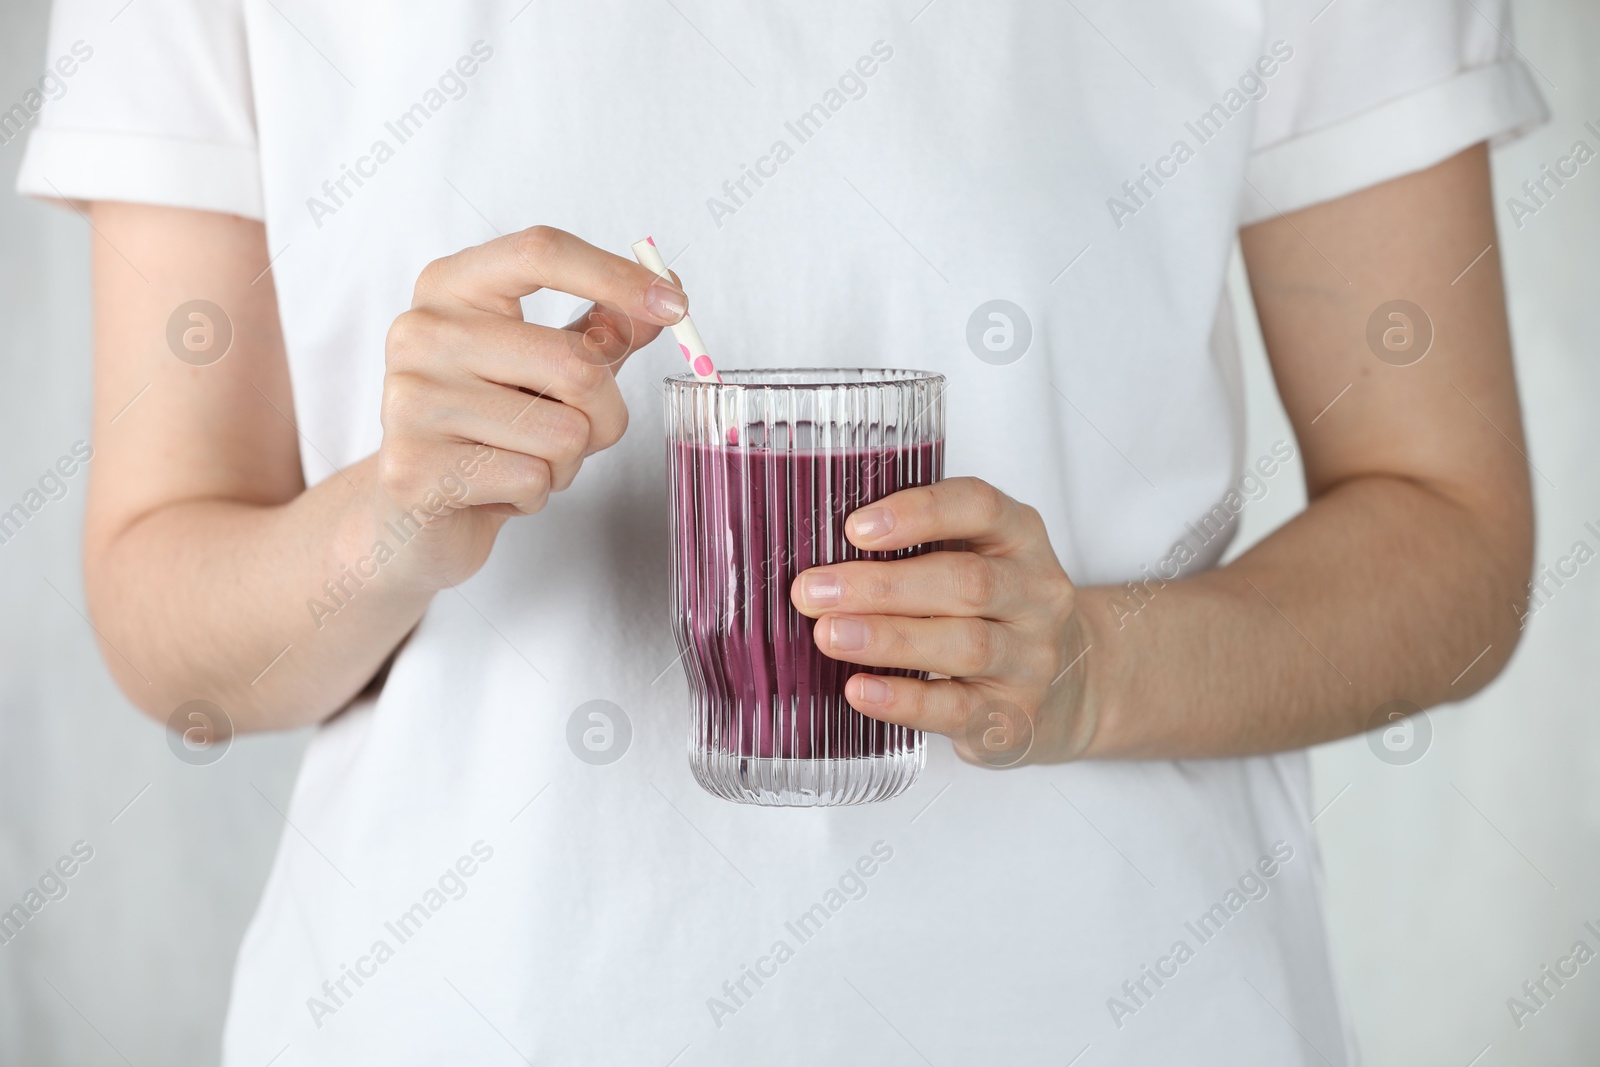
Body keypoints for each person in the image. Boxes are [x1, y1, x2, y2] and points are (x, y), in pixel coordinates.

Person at [19, 0, 1544, 1063]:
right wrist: (388, 523)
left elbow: (1452, 534)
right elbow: (169, 619)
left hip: (1111, 1011)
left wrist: (1101, 672)